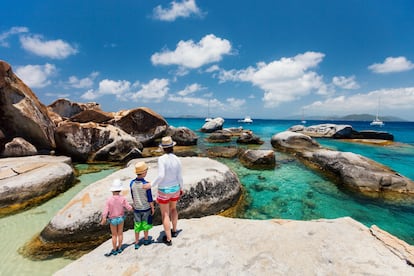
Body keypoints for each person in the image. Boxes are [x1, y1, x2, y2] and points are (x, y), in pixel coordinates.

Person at [144, 136, 183, 246]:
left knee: (165, 214)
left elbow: (161, 176)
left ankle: (169, 239)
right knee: (174, 209)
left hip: (164, 190)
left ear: (163, 148)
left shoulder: (161, 159)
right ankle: (174, 231)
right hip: (175, 188)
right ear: (172, 147)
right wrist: (181, 188)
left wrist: (151, 185)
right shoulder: (177, 159)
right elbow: (180, 176)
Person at [101, 179, 132, 256]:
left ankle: (114, 249)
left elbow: (106, 210)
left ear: (112, 190)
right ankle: (120, 247)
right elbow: (128, 207)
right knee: (120, 233)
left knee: (114, 235)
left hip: (113, 220)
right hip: (121, 218)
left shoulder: (109, 200)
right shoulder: (122, 198)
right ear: (120, 190)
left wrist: (104, 218)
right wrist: (133, 209)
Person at [130, 161, 155, 249]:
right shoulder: (146, 184)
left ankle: (136, 242)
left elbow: (132, 195)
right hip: (146, 208)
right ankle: (146, 239)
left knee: (137, 225)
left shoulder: (132, 183)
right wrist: (152, 207)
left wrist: (134, 204)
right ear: (144, 172)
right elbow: (149, 198)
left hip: (137, 208)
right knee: (145, 224)